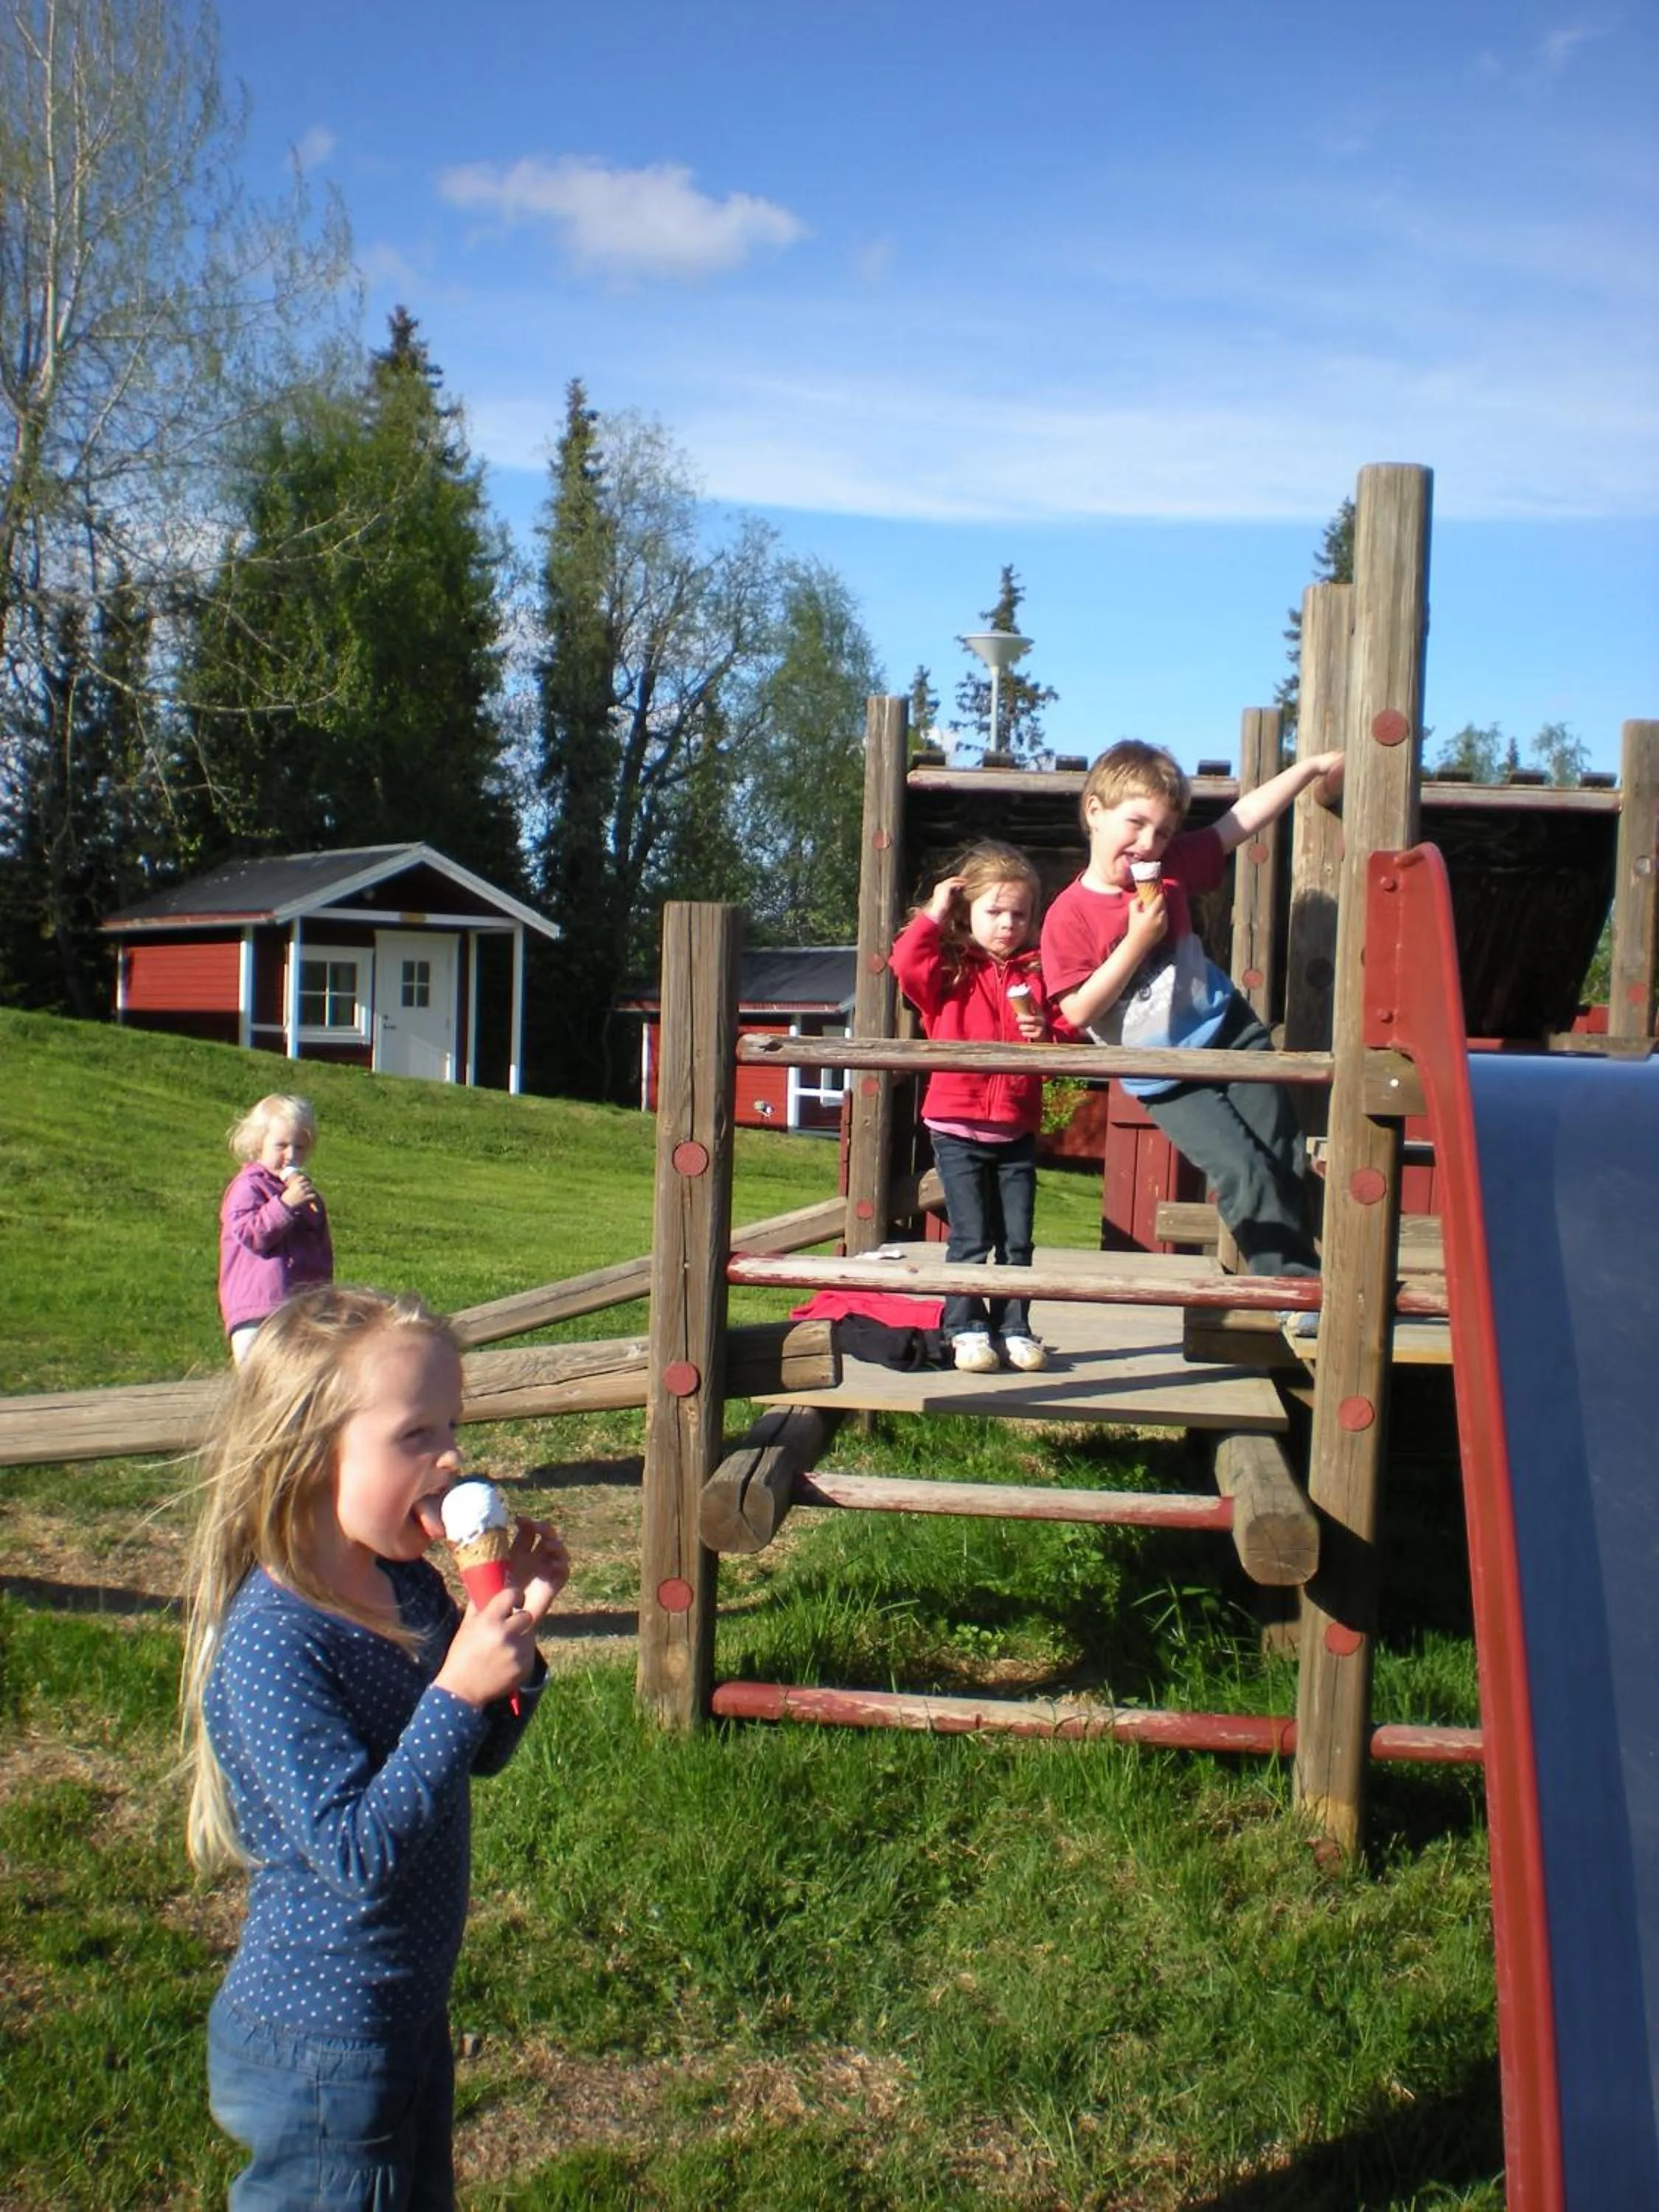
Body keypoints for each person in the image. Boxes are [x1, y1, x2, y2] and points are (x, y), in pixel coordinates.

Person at [181, 1284, 569, 2211]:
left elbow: (477, 1753)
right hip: (322, 2048)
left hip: (402, 2017)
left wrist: (509, 1634)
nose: (453, 1456)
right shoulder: (277, 1643)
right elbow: (358, 1854)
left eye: (453, 1425)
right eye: (415, 1435)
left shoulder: (406, 1586)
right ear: (311, 1455)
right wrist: (457, 1689)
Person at [1041, 740, 1343, 1286]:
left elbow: (1239, 821)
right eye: (1136, 823)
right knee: (1242, 1168)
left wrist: (1309, 768)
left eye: (1162, 832)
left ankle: (1319, 1271)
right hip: (1163, 1073)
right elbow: (1079, 1009)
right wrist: (1138, 940)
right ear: (1095, 812)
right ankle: (1295, 1291)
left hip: (1229, 1029)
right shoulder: (1069, 916)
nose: (1148, 843)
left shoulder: (1171, 866)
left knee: (1284, 1154)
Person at [889, 839, 1052, 1374]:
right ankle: (964, 1327)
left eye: (1019, 914)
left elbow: (1062, 1035)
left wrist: (1046, 1033)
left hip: (1015, 1128)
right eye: (995, 911)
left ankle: (1015, 1327)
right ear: (967, 914)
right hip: (957, 1126)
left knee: (1018, 1239)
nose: (1007, 924)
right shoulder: (950, 971)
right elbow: (905, 965)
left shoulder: (1037, 974)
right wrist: (935, 913)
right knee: (971, 1236)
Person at [219, 1093, 335, 1362]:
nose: (291, 1155)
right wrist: (285, 1205)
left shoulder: (301, 1193)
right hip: (258, 1307)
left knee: (296, 1372)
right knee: (257, 1373)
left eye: (300, 1147)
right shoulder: (248, 1186)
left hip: (300, 1307)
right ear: (259, 1144)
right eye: (281, 1146)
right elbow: (251, 1234)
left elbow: (319, 1246)